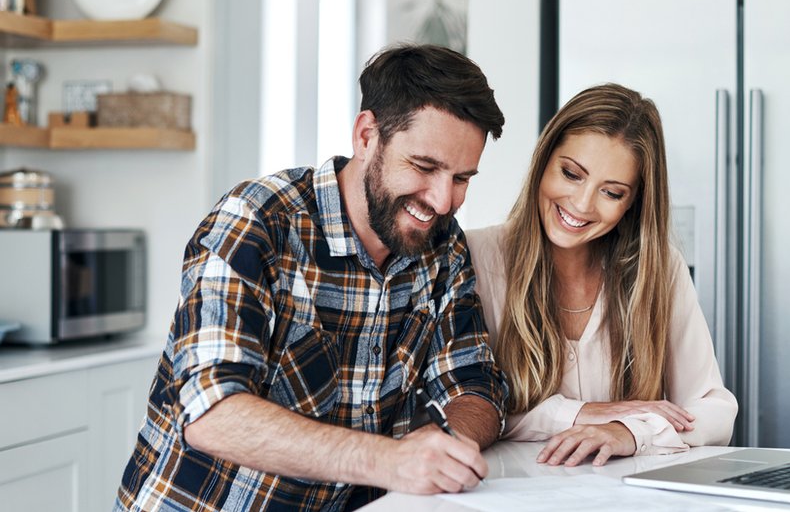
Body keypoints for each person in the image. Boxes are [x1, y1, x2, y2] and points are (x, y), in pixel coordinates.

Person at [115, 44, 509, 512]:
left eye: (462, 178)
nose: (443, 201)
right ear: (366, 136)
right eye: (424, 167)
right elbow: (212, 411)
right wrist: (389, 461)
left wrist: (443, 447)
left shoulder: (442, 245)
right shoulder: (256, 221)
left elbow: (473, 384)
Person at [466, 83, 737, 467]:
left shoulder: (659, 269)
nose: (581, 204)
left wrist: (629, 432)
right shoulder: (473, 258)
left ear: (632, 203)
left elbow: (715, 409)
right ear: (544, 160)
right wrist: (581, 412)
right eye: (571, 173)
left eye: (611, 193)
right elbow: (460, 413)